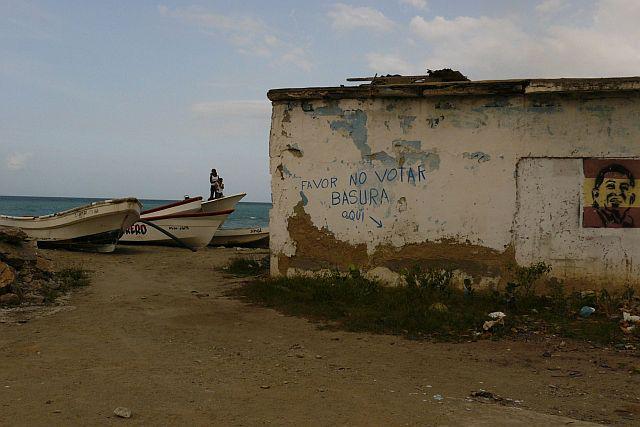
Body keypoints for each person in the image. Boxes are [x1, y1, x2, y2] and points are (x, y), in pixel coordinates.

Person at [591, 163, 636, 227]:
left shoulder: (630, 224)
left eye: (624, 187)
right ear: (596, 195)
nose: (617, 192)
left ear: (632, 199)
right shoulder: (592, 223)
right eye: (610, 186)